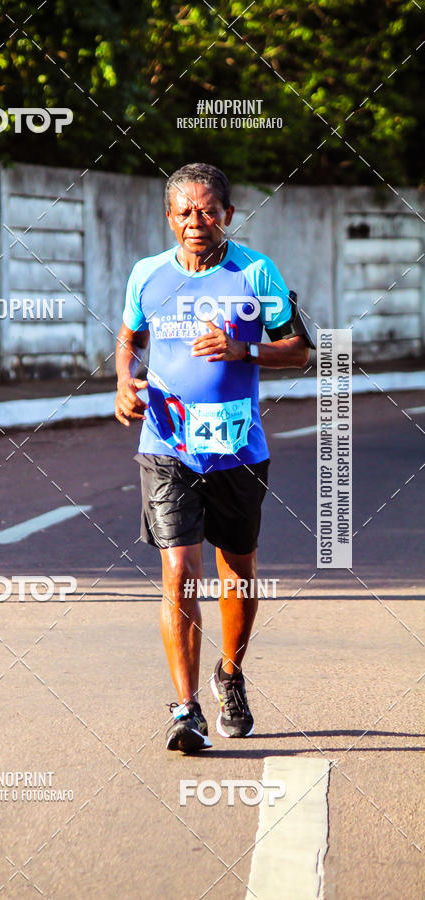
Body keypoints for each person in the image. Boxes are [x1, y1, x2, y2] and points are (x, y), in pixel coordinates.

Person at [115, 162, 312, 753]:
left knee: (239, 574)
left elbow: (300, 350)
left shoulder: (255, 272)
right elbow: (130, 337)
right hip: (167, 444)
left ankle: (230, 675)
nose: (195, 223)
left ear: (227, 214)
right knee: (178, 570)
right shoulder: (147, 275)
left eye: (206, 211)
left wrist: (242, 349)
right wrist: (123, 380)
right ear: (168, 218)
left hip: (237, 450)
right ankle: (185, 708)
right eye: (183, 212)